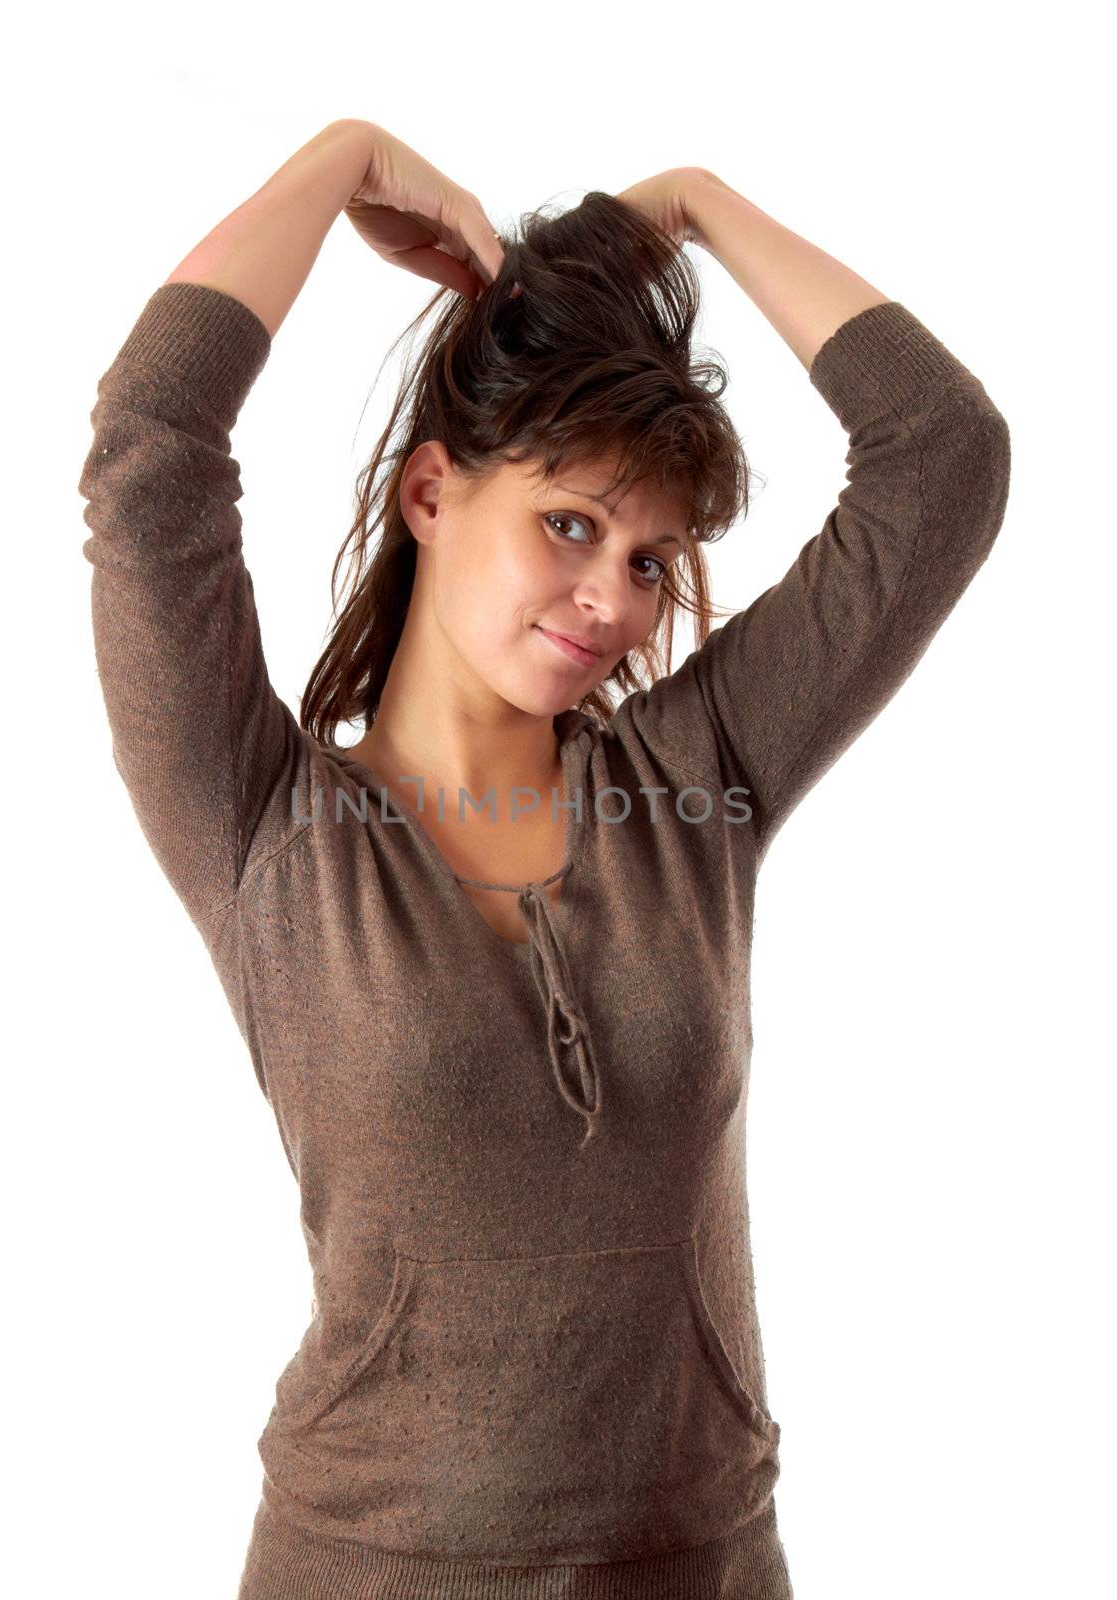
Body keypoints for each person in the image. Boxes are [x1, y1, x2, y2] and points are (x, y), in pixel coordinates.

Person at [78, 118, 1011, 1599]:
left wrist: (693, 205)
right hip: (369, 1568)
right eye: (567, 524)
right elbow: (149, 451)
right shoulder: (255, 823)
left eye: (648, 559)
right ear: (432, 494)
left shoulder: (696, 781)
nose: (613, 603)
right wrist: (334, 171)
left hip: (701, 1562)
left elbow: (945, 458)